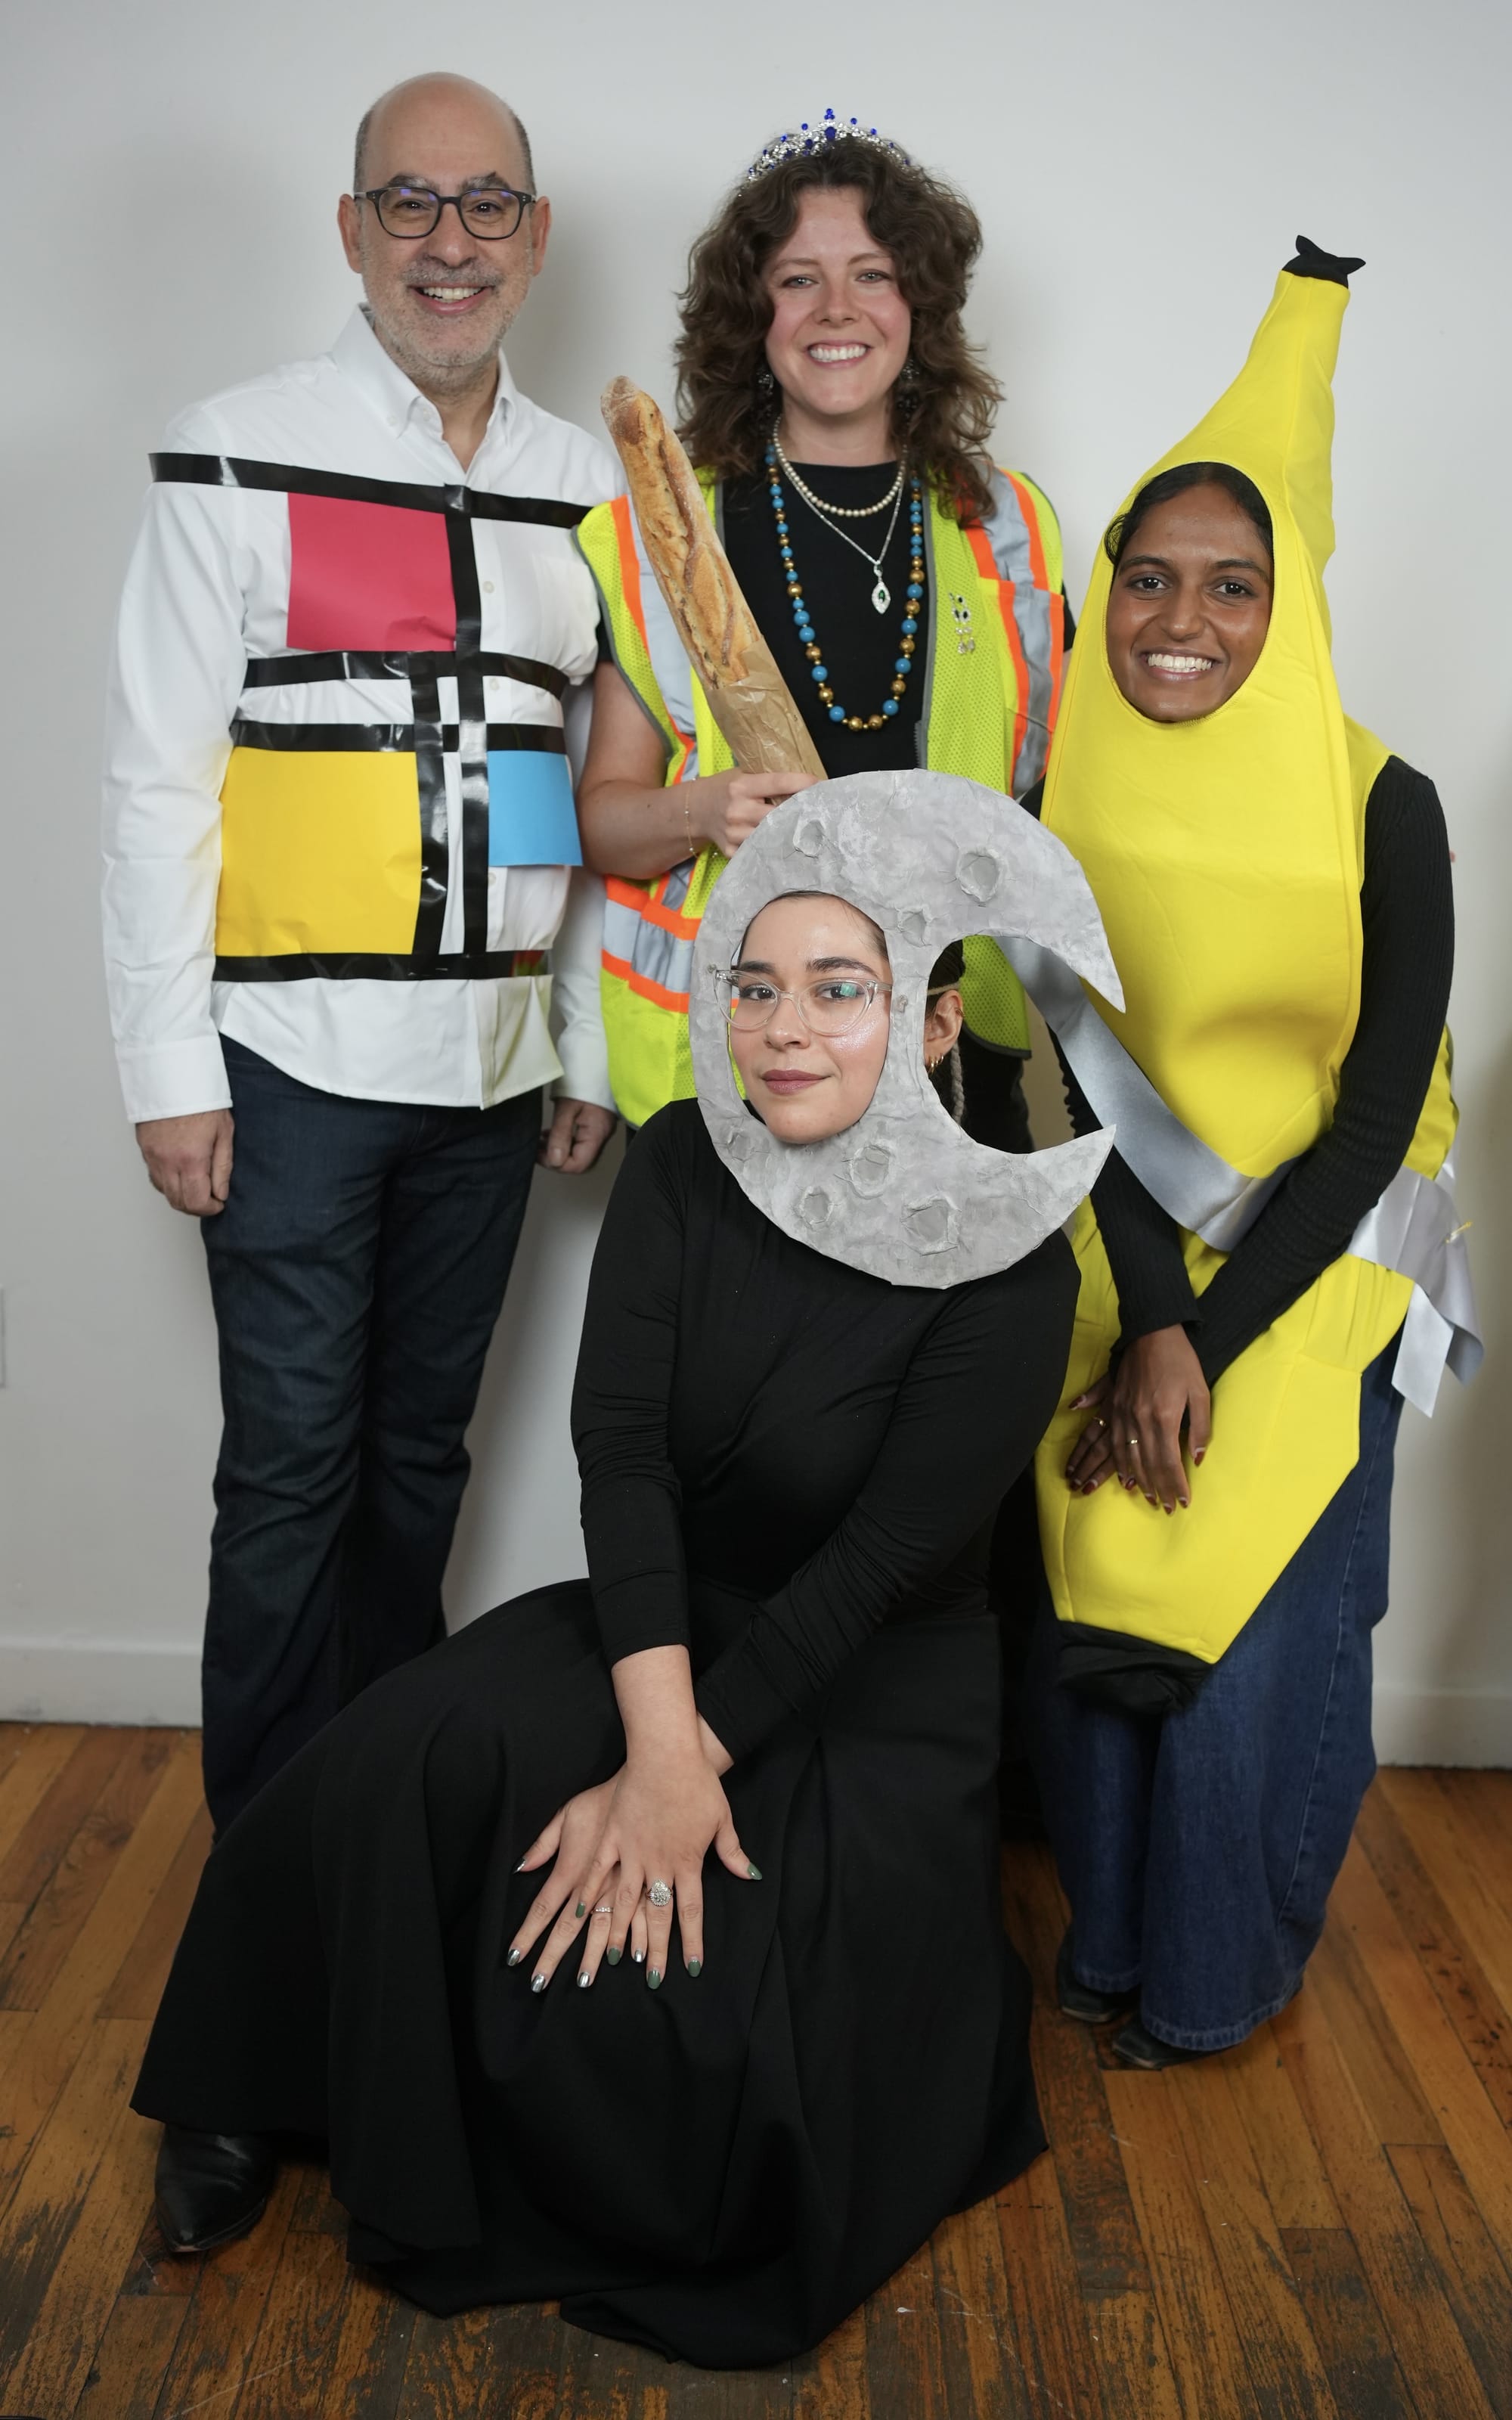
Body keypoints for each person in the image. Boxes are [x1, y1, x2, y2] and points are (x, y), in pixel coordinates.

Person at [130, 774, 1094, 2369]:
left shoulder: (1014, 1260)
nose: (784, 1030)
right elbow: (624, 1456)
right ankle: (251, 2092)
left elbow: (870, 1573)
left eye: (838, 992)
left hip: (866, 1686)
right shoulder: (685, 1159)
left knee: (693, 1996)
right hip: (661, 1624)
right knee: (392, 1763)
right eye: (755, 989)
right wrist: (658, 1744)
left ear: (932, 1026)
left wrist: (678, 1782)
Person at [101, 75, 621, 1835]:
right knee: (290, 1481)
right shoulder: (232, 449)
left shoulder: (591, 490)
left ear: (535, 237)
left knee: (418, 1471)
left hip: (494, 1073)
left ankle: (384, 1850)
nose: (447, 242)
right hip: (286, 1069)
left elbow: (586, 776)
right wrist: (168, 1071)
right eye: (410, 202)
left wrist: (580, 1036)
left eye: (485, 205)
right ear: (351, 230)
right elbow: (156, 780)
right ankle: (267, 1887)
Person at [1017, 241, 1475, 2068]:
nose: (1180, 618)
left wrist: (1204, 1338)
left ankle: (1218, 1977)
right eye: (1148, 576)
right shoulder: (1063, 790)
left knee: (1259, 1626)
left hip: (1321, 1256)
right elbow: (1065, 1078)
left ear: (1288, 608)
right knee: (1105, 1575)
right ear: (1105, 591)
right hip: (1118, 1242)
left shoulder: (1383, 803)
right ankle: (1110, 1936)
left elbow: (1376, 1111)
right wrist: (1147, 1317)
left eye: (1231, 583)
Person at [575, 111, 1071, 1149]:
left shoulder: (1010, 527)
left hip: (949, 1046)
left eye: (873, 275)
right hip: (739, 1061)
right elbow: (602, 823)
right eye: (799, 278)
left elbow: (1067, 798)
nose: (836, 309)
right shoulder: (663, 532)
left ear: (918, 305)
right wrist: (702, 810)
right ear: (751, 312)